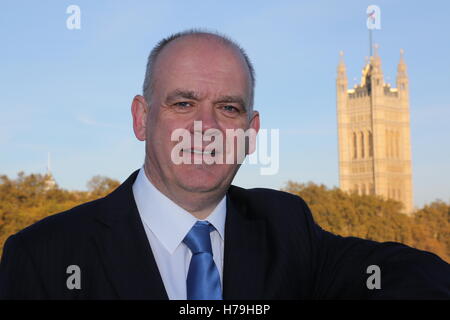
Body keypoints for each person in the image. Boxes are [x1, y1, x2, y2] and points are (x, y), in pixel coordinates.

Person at [0, 30, 449, 300]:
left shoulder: (286, 227)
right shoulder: (43, 257)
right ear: (141, 118)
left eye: (229, 109)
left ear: (251, 134)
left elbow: (410, 275)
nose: (206, 128)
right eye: (183, 103)